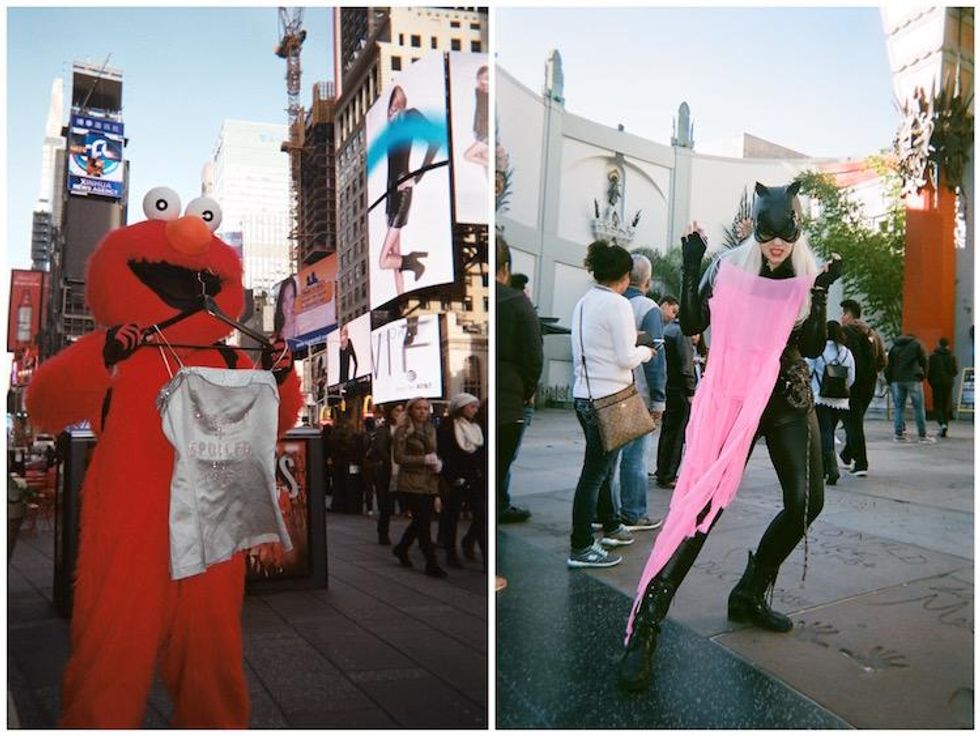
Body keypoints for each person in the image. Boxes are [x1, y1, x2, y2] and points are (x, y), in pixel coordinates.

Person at [618, 181, 843, 692]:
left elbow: (809, 345)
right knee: (701, 506)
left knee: (808, 501)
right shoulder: (731, 267)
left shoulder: (805, 272)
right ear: (758, 226)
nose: (777, 243)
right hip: (736, 392)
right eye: (768, 231)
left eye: (786, 231)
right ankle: (648, 623)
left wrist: (823, 292)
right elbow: (694, 323)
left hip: (785, 393)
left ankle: (751, 588)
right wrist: (692, 261)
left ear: (798, 227)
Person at [567, 240, 656, 569]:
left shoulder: (584, 302)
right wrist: (647, 351)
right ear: (624, 275)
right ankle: (580, 545)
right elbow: (626, 357)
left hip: (584, 396)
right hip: (610, 399)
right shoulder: (617, 304)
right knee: (594, 474)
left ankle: (611, 524)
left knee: (602, 470)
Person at [615, 254, 666, 532]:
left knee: (610, 458)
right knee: (635, 456)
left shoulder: (613, 301)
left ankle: (607, 512)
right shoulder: (648, 308)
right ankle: (633, 512)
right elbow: (654, 357)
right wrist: (658, 398)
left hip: (609, 391)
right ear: (648, 279)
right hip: (638, 393)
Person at [496, 236, 542, 524]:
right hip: (509, 403)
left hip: (503, 399)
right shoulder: (517, 302)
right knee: (500, 467)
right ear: (504, 269)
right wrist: (526, 392)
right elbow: (533, 357)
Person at [378, 86, 441, 296]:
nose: (393, 111)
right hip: (390, 196)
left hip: (403, 194)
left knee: (384, 260)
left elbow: (436, 140)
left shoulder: (411, 117)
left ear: (403, 104)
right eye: (390, 108)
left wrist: (418, 176)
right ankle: (402, 308)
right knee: (394, 263)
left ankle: (412, 260)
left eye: (397, 105)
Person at [392, 397, 447, 578]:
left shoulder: (431, 428)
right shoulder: (403, 431)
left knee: (421, 521)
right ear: (411, 410)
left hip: (430, 482)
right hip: (411, 482)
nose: (422, 412)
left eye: (425, 408)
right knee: (423, 523)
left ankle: (401, 548)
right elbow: (399, 457)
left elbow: (434, 450)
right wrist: (422, 460)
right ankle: (431, 563)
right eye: (418, 408)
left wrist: (437, 462)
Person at [437, 393, 486, 568]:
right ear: (461, 408)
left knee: (481, 516)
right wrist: (454, 477)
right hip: (456, 479)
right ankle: (451, 554)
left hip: (474, 479)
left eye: (476, 407)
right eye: (471, 406)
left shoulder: (476, 427)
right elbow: (445, 454)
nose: (475, 410)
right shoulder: (448, 427)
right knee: (452, 517)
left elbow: (479, 452)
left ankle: (485, 557)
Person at [838, 299, 886, 476]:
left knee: (853, 424)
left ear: (849, 314)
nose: (842, 317)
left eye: (844, 313)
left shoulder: (844, 333)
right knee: (855, 422)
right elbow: (882, 360)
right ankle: (847, 454)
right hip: (869, 384)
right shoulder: (873, 334)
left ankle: (861, 463)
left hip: (850, 385)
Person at [806, 321, 856, 485]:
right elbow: (851, 377)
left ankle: (831, 468)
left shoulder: (818, 351)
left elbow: (808, 370)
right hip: (840, 400)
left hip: (820, 397)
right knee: (829, 430)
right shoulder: (846, 353)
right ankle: (826, 468)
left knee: (824, 432)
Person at [655, 317, 698, 489]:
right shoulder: (682, 332)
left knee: (667, 432)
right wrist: (691, 390)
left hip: (668, 385)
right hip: (679, 389)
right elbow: (686, 366)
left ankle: (662, 470)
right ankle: (668, 475)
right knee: (677, 434)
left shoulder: (668, 329)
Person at [885, 333, 934, 443]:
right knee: (918, 407)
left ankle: (899, 434)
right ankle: (922, 435)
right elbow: (924, 359)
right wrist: (924, 374)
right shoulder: (917, 344)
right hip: (913, 378)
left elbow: (889, 364)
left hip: (897, 379)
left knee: (899, 407)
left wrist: (889, 379)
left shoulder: (895, 346)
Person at [367, 403, 405, 545]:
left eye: (402, 411)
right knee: (387, 505)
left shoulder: (406, 428)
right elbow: (380, 449)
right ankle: (383, 532)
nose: (399, 413)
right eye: (397, 410)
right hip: (388, 471)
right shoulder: (384, 430)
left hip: (404, 470)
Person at [927, 337, 958, 438]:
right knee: (945, 406)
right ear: (947, 345)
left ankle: (942, 424)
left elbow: (929, 371)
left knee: (938, 406)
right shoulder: (952, 357)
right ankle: (945, 427)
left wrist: (931, 381)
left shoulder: (933, 357)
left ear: (938, 344)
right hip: (948, 383)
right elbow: (955, 371)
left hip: (936, 384)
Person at [462, 65, 490, 176]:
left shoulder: (492, 94)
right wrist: (475, 129)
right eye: (483, 78)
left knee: (468, 155)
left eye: (488, 78)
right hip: (480, 133)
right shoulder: (480, 93)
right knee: (486, 165)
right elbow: (478, 112)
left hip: (487, 135)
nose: (485, 80)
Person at [273, 276, 299, 345]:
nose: (288, 304)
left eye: (291, 297)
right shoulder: (278, 332)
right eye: (284, 300)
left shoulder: (301, 325)